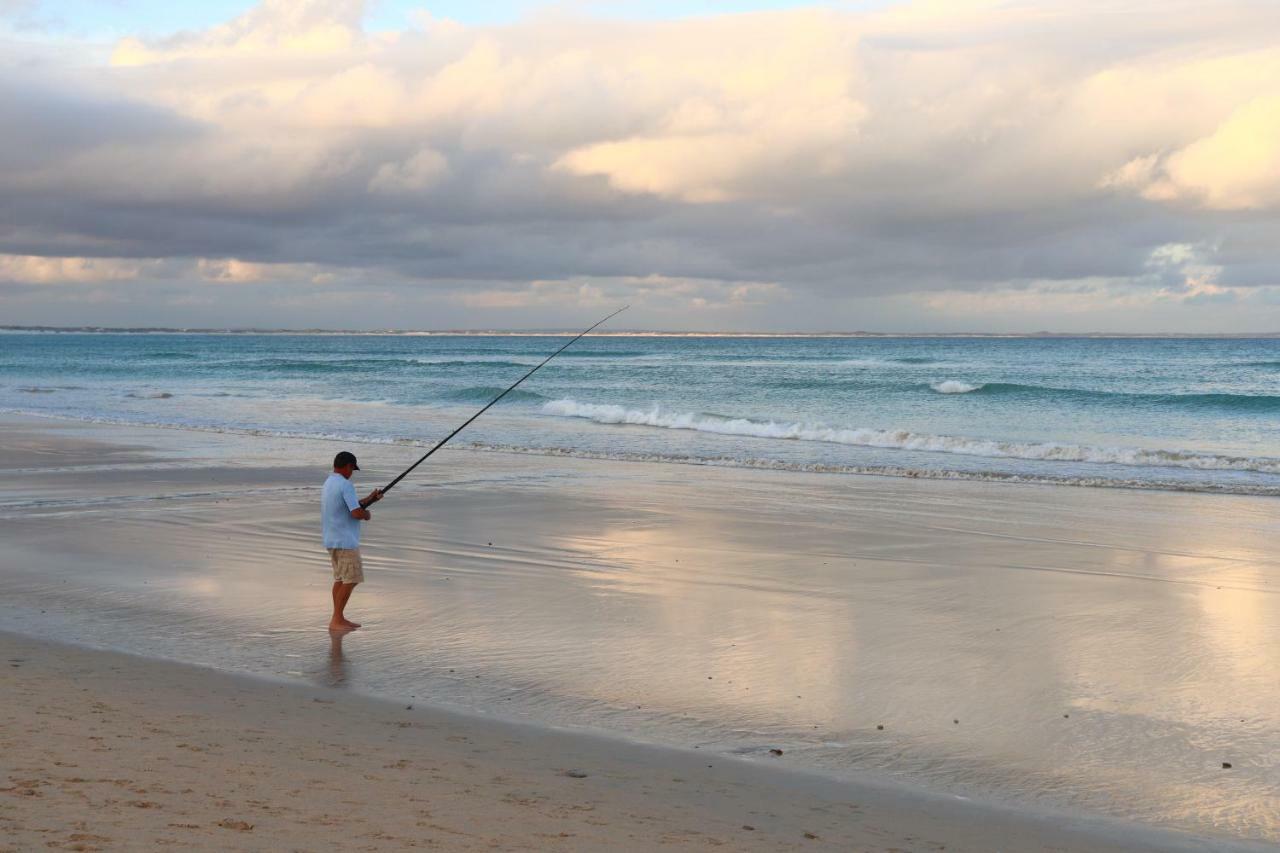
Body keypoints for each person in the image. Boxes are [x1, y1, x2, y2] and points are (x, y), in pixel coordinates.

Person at [322, 450, 382, 632]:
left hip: (332, 539)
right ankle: (336, 619)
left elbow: (351, 505)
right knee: (352, 579)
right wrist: (367, 515)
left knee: (341, 579)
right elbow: (356, 512)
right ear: (348, 466)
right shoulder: (346, 485)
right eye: (352, 469)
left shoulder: (329, 482)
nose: (352, 473)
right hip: (345, 541)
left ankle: (338, 617)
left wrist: (371, 499)